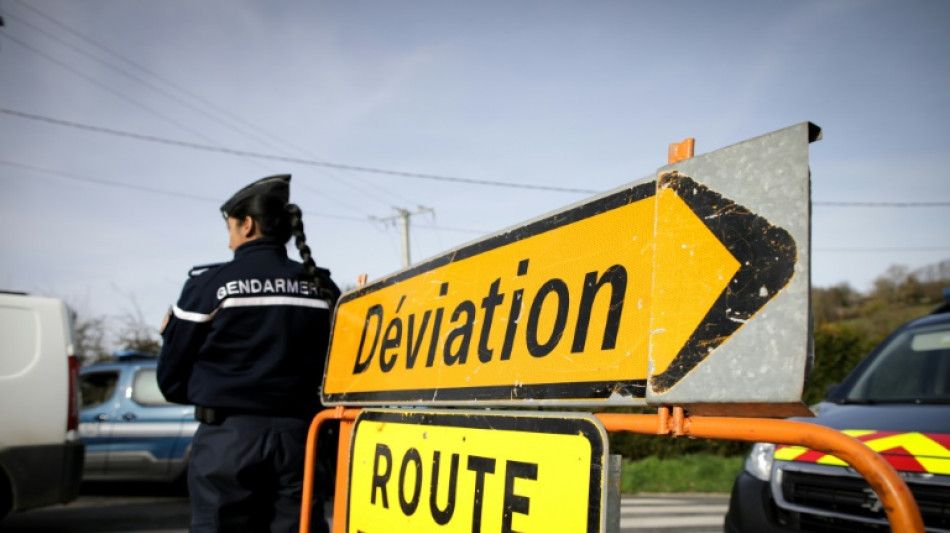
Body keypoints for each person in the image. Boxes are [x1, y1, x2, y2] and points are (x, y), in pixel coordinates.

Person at [158, 174, 340, 533]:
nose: (229, 242)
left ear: (247, 224)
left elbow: (172, 378)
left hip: (227, 439)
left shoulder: (207, 286)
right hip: (302, 439)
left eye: (230, 228)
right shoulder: (323, 287)